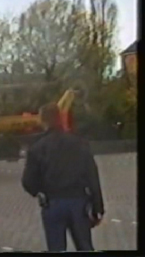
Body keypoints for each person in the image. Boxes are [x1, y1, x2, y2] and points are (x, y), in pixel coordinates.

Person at [21, 103, 104, 252]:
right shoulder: (79, 143)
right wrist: (98, 207)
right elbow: (92, 176)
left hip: (52, 203)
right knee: (85, 246)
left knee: (56, 248)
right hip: (78, 202)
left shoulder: (36, 148)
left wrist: (40, 192)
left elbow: (28, 182)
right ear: (60, 118)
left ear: (42, 121)